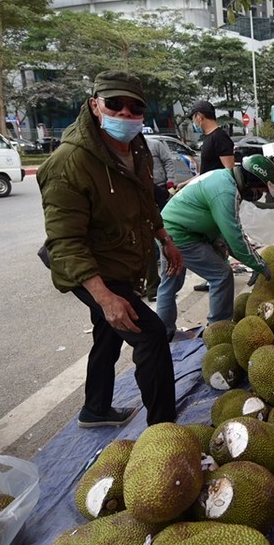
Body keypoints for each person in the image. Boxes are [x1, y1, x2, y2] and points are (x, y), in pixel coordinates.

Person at [38, 71, 186, 428]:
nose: (124, 114)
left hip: (121, 263)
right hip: (89, 268)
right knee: (149, 336)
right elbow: (65, 241)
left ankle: (95, 409)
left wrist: (165, 238)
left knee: (108, 334)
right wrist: (105, 298)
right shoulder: (69, 162)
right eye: (114, 105)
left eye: (134, 107)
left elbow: (146, 203)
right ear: (94, 105)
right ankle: (164, 433)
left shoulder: (138, 150)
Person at [156, 156, 274, 335]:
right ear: (252, 181)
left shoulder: (225, 177)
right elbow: (235, 237)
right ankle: (218, 328)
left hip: (169, 228)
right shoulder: (226, 192)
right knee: (221, 274)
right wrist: (260, 265)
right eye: (260, 189)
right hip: (180, 235)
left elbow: (220, 225)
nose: (259, 194)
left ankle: (164, 333)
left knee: (170, 282)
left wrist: (219, 240)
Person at [143, 136, 180, 300]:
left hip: (159, 190)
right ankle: (151, 287)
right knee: (147, 242)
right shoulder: (124, 150)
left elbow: (168, 162)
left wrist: (170, 183)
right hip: (144, 195)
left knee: (163, 232)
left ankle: (156, 287)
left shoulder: (155, 145)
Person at [190, 99, 234, 172]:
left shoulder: (220, 137)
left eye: (193, 118)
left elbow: (229, 170)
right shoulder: (208, 137)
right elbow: (205, 172)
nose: (193, 122)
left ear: (199, 116)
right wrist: (185, 183)